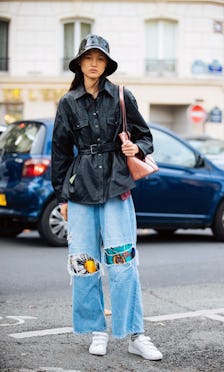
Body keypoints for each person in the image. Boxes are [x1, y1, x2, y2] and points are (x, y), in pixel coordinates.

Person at [51, 34, 162, 361]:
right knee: (84, 264)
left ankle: (134, 334)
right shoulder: (68, 103)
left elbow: (146, 137)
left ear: (107, 63)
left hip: (116, 186)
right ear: (80, 63)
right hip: (81, 190)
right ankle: (97, 330)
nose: (94, 63)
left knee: (123, 261)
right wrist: (62, 197)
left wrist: (136, 147)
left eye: (100, 58)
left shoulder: (122, 97)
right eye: (89, 58)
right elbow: (59, 152)